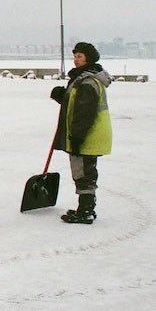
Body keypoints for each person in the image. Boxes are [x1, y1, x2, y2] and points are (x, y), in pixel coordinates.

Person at [50, 41, 112, 224]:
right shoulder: (84, 79)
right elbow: (77, 105)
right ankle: (86, 208)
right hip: (90, 134)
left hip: (87, 135)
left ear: (89, 59)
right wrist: (63, 96)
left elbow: (84, 113)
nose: (76, 60)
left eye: (80, 57)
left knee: (83, 172)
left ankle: (86, 211)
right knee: (86, 171)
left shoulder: (87, 82)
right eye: (75, 56)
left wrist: (77, 137)